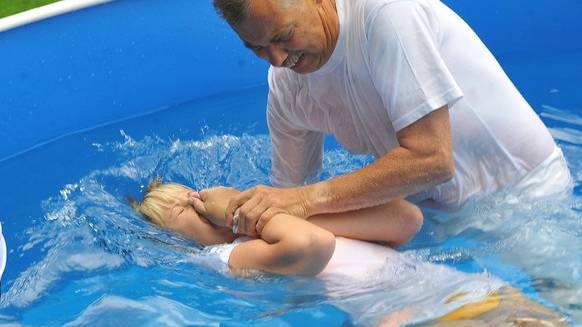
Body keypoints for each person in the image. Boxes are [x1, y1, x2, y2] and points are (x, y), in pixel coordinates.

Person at [207, 0, 572, 237]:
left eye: (283, 36)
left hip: (527, 198)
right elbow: (284, 199)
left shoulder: (386, 14)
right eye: (255, 47)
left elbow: (432, 159)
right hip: (434, 220)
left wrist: (306, 199)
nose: (276, 58)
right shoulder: (287, 87)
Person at [128, 179, 568, 326]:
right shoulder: (224, 259)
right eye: (179, 210)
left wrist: (284, 202)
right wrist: (244, 217)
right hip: (420, 317)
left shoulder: (284, 224)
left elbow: (404, 220)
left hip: (471, 292)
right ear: (174, 240)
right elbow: (311, 248)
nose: (196, 202)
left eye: (191, 194)